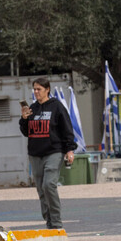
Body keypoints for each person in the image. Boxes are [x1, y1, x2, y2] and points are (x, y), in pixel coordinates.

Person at [19, 77, 77, 229]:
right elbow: (26, 132)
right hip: (35, 153)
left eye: (39, 89)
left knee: (49, 184)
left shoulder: (56, 107)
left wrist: (69, 149)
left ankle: (56, 222)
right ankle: (49, 222)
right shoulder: (32, 108)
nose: (36, 92)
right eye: (34, 89)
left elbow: (67, 129)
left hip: (54, 152)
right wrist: (24, 118)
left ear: (47, 90)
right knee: (41, 190)